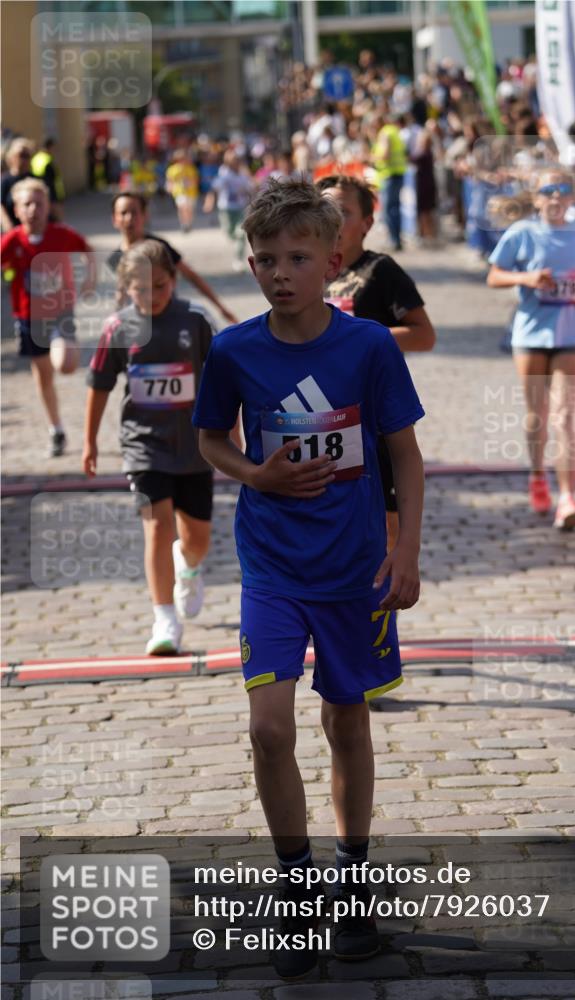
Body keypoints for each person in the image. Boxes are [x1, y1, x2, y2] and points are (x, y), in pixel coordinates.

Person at [193, 178, 425, 979]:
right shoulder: (233, 350)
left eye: (297, 257)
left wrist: (406, 551)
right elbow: (210, 442)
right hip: (270, 569)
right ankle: (295, 885)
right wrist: (255, 475)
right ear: (250, 266)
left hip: (355, 570)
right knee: (268, 729)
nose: (280, 272)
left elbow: (405, 455)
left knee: (347, 721)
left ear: (333, 258)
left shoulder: (367, 348)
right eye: (265, 260)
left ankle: (352, 874)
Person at [83, 240, 214, 655]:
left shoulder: (194, 321)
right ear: (126, 289)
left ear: (172, 281)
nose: (152, 297)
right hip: (144, 447)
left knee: (197, 538)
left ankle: (189, 567)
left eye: (160, 286)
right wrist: (89, 441)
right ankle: (164, 619)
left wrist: (229, 430)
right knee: (157, 526)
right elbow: (100, 386)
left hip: (194, 447)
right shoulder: (117, 329)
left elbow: (221, 379)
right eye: (141, 289)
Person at [317, 173, 435, 550]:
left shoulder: (380, 270)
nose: (332, 218)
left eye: (343, 211)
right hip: (319, 414)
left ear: (367, 224)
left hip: (372, 416)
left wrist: (363, 337)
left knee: (384, 523)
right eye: (324, 209)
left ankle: (381, 604)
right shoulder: (308, 269)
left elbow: (424, 334)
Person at [487, 168, 575, 530]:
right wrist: (526, 278)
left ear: (570, 198)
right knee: (537, 413)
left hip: (570, 334)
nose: (554, 196)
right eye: (547, 190)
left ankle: (567, 498)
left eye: (561, 190)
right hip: (531, 334)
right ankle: (538, 474)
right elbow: (494, 275)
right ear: (536, 199)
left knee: (564, 417)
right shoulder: (522, 233)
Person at [1, 178, 95, 456]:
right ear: (17, 210)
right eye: (26, 204)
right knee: (44, 378)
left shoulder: (62, 234)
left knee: (65, 365)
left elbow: (87, 251)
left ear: (48, 207)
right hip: (28, 317)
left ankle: (61, 351)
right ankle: (57, 429)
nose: (33, 209)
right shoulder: (12, 241)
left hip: (59, 312)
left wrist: (89, 280)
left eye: (38, 203)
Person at [107, 191, 237, 323]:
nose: (129, 218)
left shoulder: (160, 247)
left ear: (145, 215)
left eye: (134, 212)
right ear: (114, 219)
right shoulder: (114, 259)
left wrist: (220, 308)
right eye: (123, 213)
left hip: (169, 318)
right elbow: (120, 296)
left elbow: (191, 276)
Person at [202, 149, 255, 272]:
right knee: (230, 233)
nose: (234, 163)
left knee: (241, 234)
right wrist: (209, 202)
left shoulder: (243, 175)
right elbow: (214, 189)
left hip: (241, 209)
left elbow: (250, 189)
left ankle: (238, 260)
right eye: (231, 161)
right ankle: (235, 240)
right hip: (226, 209)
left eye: (236, 161)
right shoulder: (224, 174)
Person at [371, 114, 408, 251]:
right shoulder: (394, 131)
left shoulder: (385, 133)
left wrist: (372, 157)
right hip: (397, 173)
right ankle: (396, 239)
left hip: (390, 175)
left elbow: (384, 155)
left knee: (388, 209)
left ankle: (394, 240)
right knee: (395, 208)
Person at [1, 138, 36, 230]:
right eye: (21, 155)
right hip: (11, 228)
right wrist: (7, 224)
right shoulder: (5, 181)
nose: (24, 159)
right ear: (12, 157)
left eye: (27, 156)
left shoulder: (35, 179)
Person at [31, 138, 65, 221]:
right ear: (50, 147)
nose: (55, 151)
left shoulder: (36, 158)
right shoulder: (46, 160)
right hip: (50, 196)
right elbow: (49, 181)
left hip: (44, 195)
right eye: (54, 148)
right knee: (55, 221)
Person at [165, 149, 199, 233]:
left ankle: (189, 222)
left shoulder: (191, 169)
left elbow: (196, 180)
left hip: (191, 192)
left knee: (189, 209)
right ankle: (184, 223)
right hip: (179, 192)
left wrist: (190, 183)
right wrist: (169, 187)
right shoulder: (172, 169)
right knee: (182, 207)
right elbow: (170, 181)